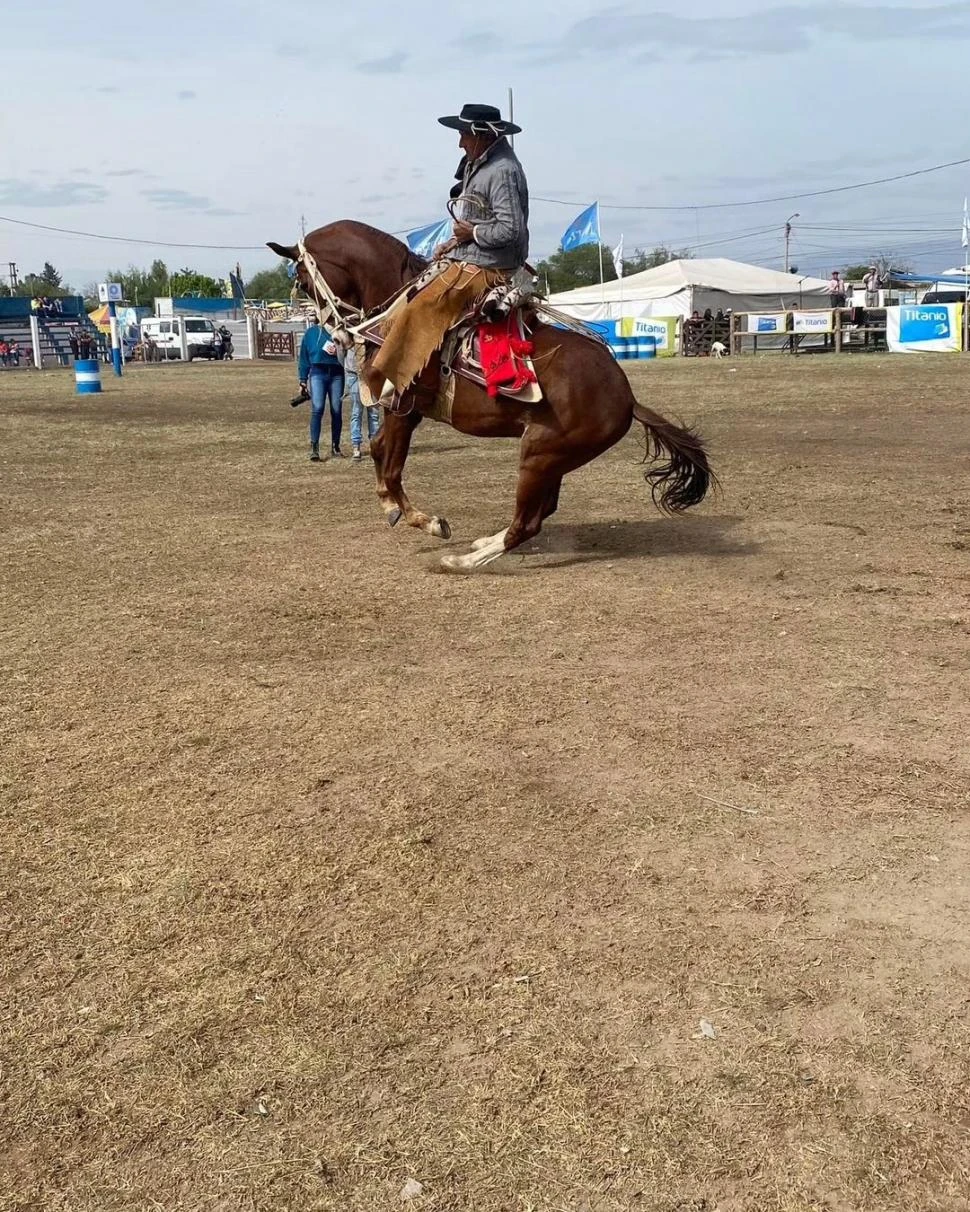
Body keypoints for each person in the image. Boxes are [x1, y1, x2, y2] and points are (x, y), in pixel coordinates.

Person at [371, 102, 527, 407]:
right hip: (472, 255)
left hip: (492, 265)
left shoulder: (503, 170)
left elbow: (511, 231)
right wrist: (454, 244)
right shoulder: (479, 163)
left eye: (464, 134)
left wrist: (472, 235)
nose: (460, 142)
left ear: (482, 135)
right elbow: (476, 221)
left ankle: (400, 386)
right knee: (409, 294)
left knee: (423, 306)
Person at [298, 317, 345, 461]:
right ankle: (314, 447)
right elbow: (304, 357)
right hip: (318, 372)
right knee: (317, 409)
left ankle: (335, 446)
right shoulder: (311, 333)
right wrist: (303, 380)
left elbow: (349, 351)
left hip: (337, 372)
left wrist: (339, 351)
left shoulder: (340, 332)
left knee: (336, 410)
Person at [342, 343, 380, 461]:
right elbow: (341, 355)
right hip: (355, 375)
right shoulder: (349, 337)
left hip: (370, 375)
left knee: (373, 412)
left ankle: (375, 445)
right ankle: (356, 446)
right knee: (357, 412)